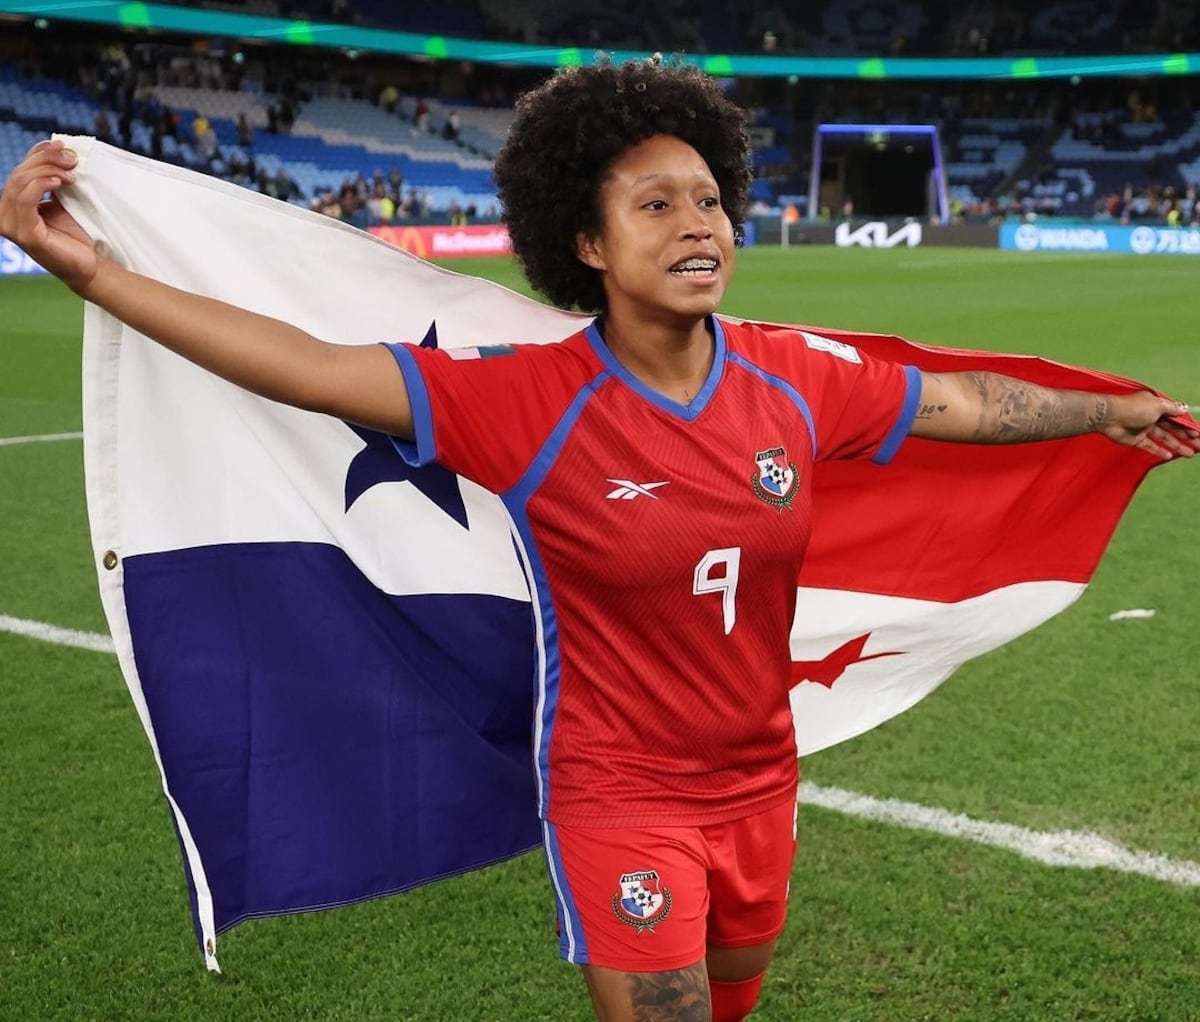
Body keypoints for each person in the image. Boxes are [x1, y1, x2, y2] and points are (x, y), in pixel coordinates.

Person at [1, 57, 1196, 1022]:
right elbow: (308, 368)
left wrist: (1107, 410)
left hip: (761, 780)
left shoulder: (796, 377)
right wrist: (95, 273)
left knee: (734, 1001)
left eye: (709, 198)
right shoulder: (528, 402)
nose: (697, 223)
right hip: (619, 793)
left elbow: (964, 404)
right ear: (587, 241)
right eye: (655, 204)